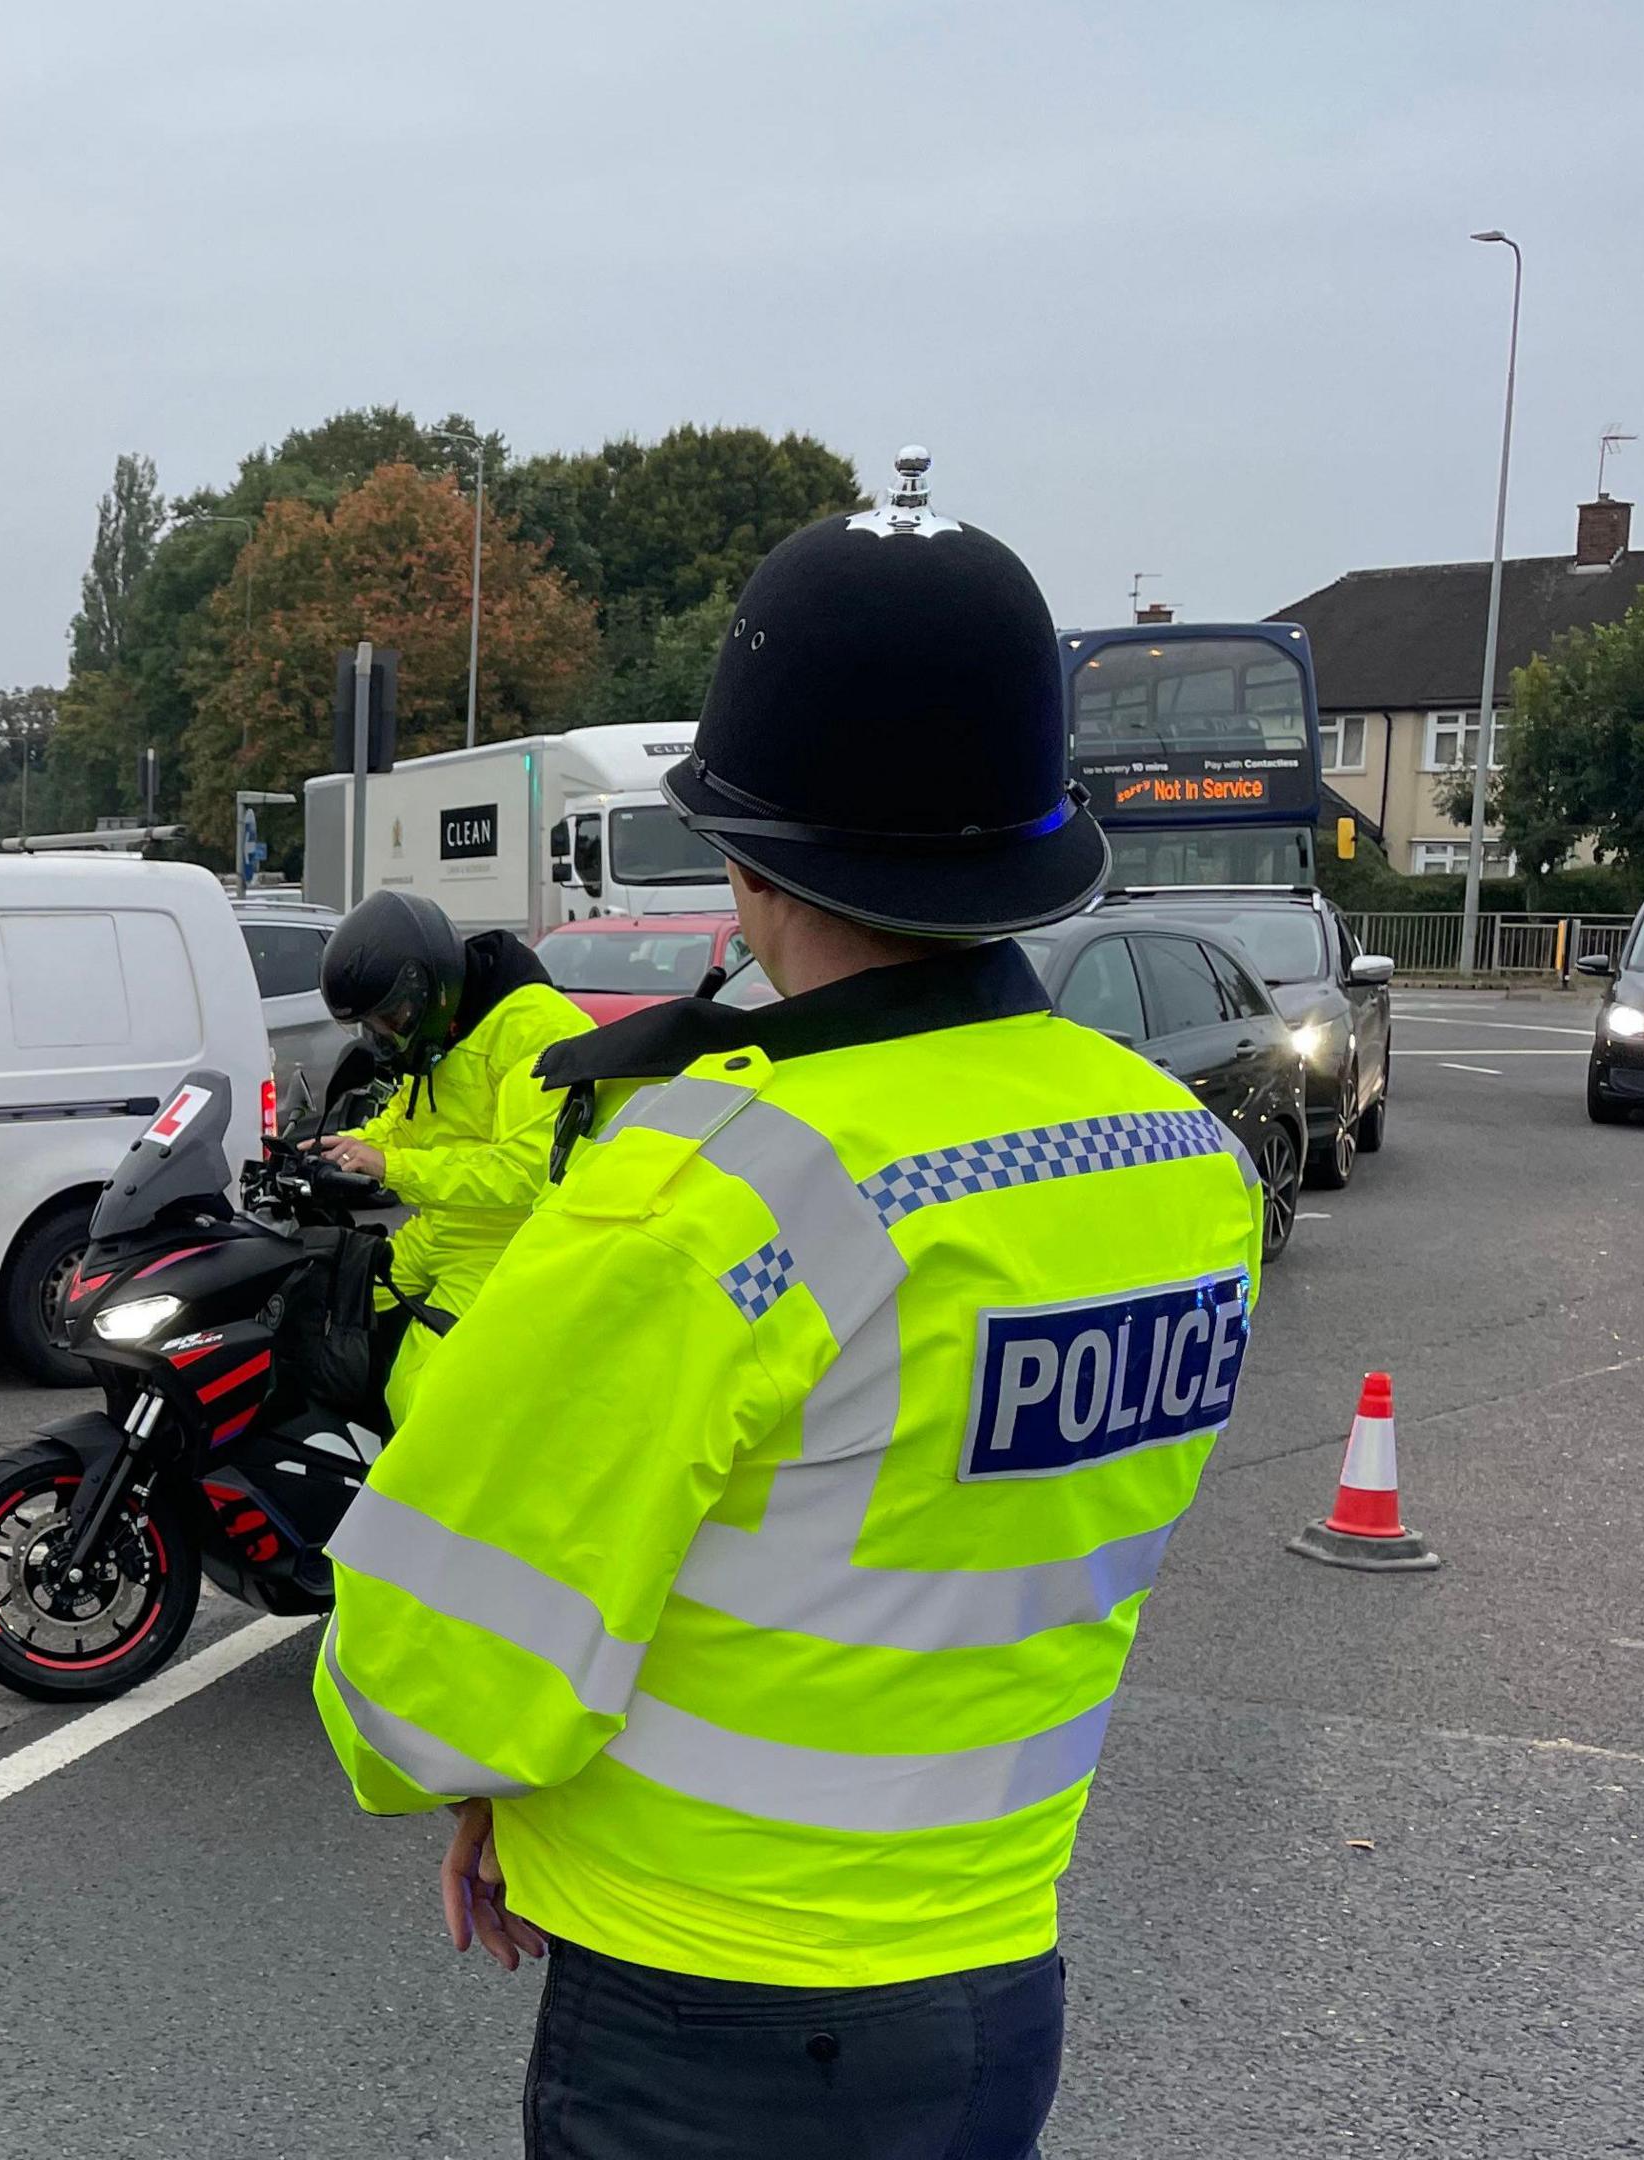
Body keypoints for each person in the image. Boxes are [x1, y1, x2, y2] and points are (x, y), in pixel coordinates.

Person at [309, 490, 1264, 2157]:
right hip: (992, 1989)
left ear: (745, 860)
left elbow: (428, 1665)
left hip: (711, 2029)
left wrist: (483, 1788)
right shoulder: (1177, 1155)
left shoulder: (714, 1193)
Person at [304, 892, 590, 1426]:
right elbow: (404, 1119)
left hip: (503, 1247)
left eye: (391, 1017)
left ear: (428, 986)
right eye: (371, 1025)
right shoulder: (445, 1027)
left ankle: (427, 1506)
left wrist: (392, 1169)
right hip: (440, 1230)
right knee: (326, 1306)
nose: (385, 1036)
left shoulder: (535, 1031)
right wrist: (340, 1152)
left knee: (420, 1397)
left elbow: (527, 1172)